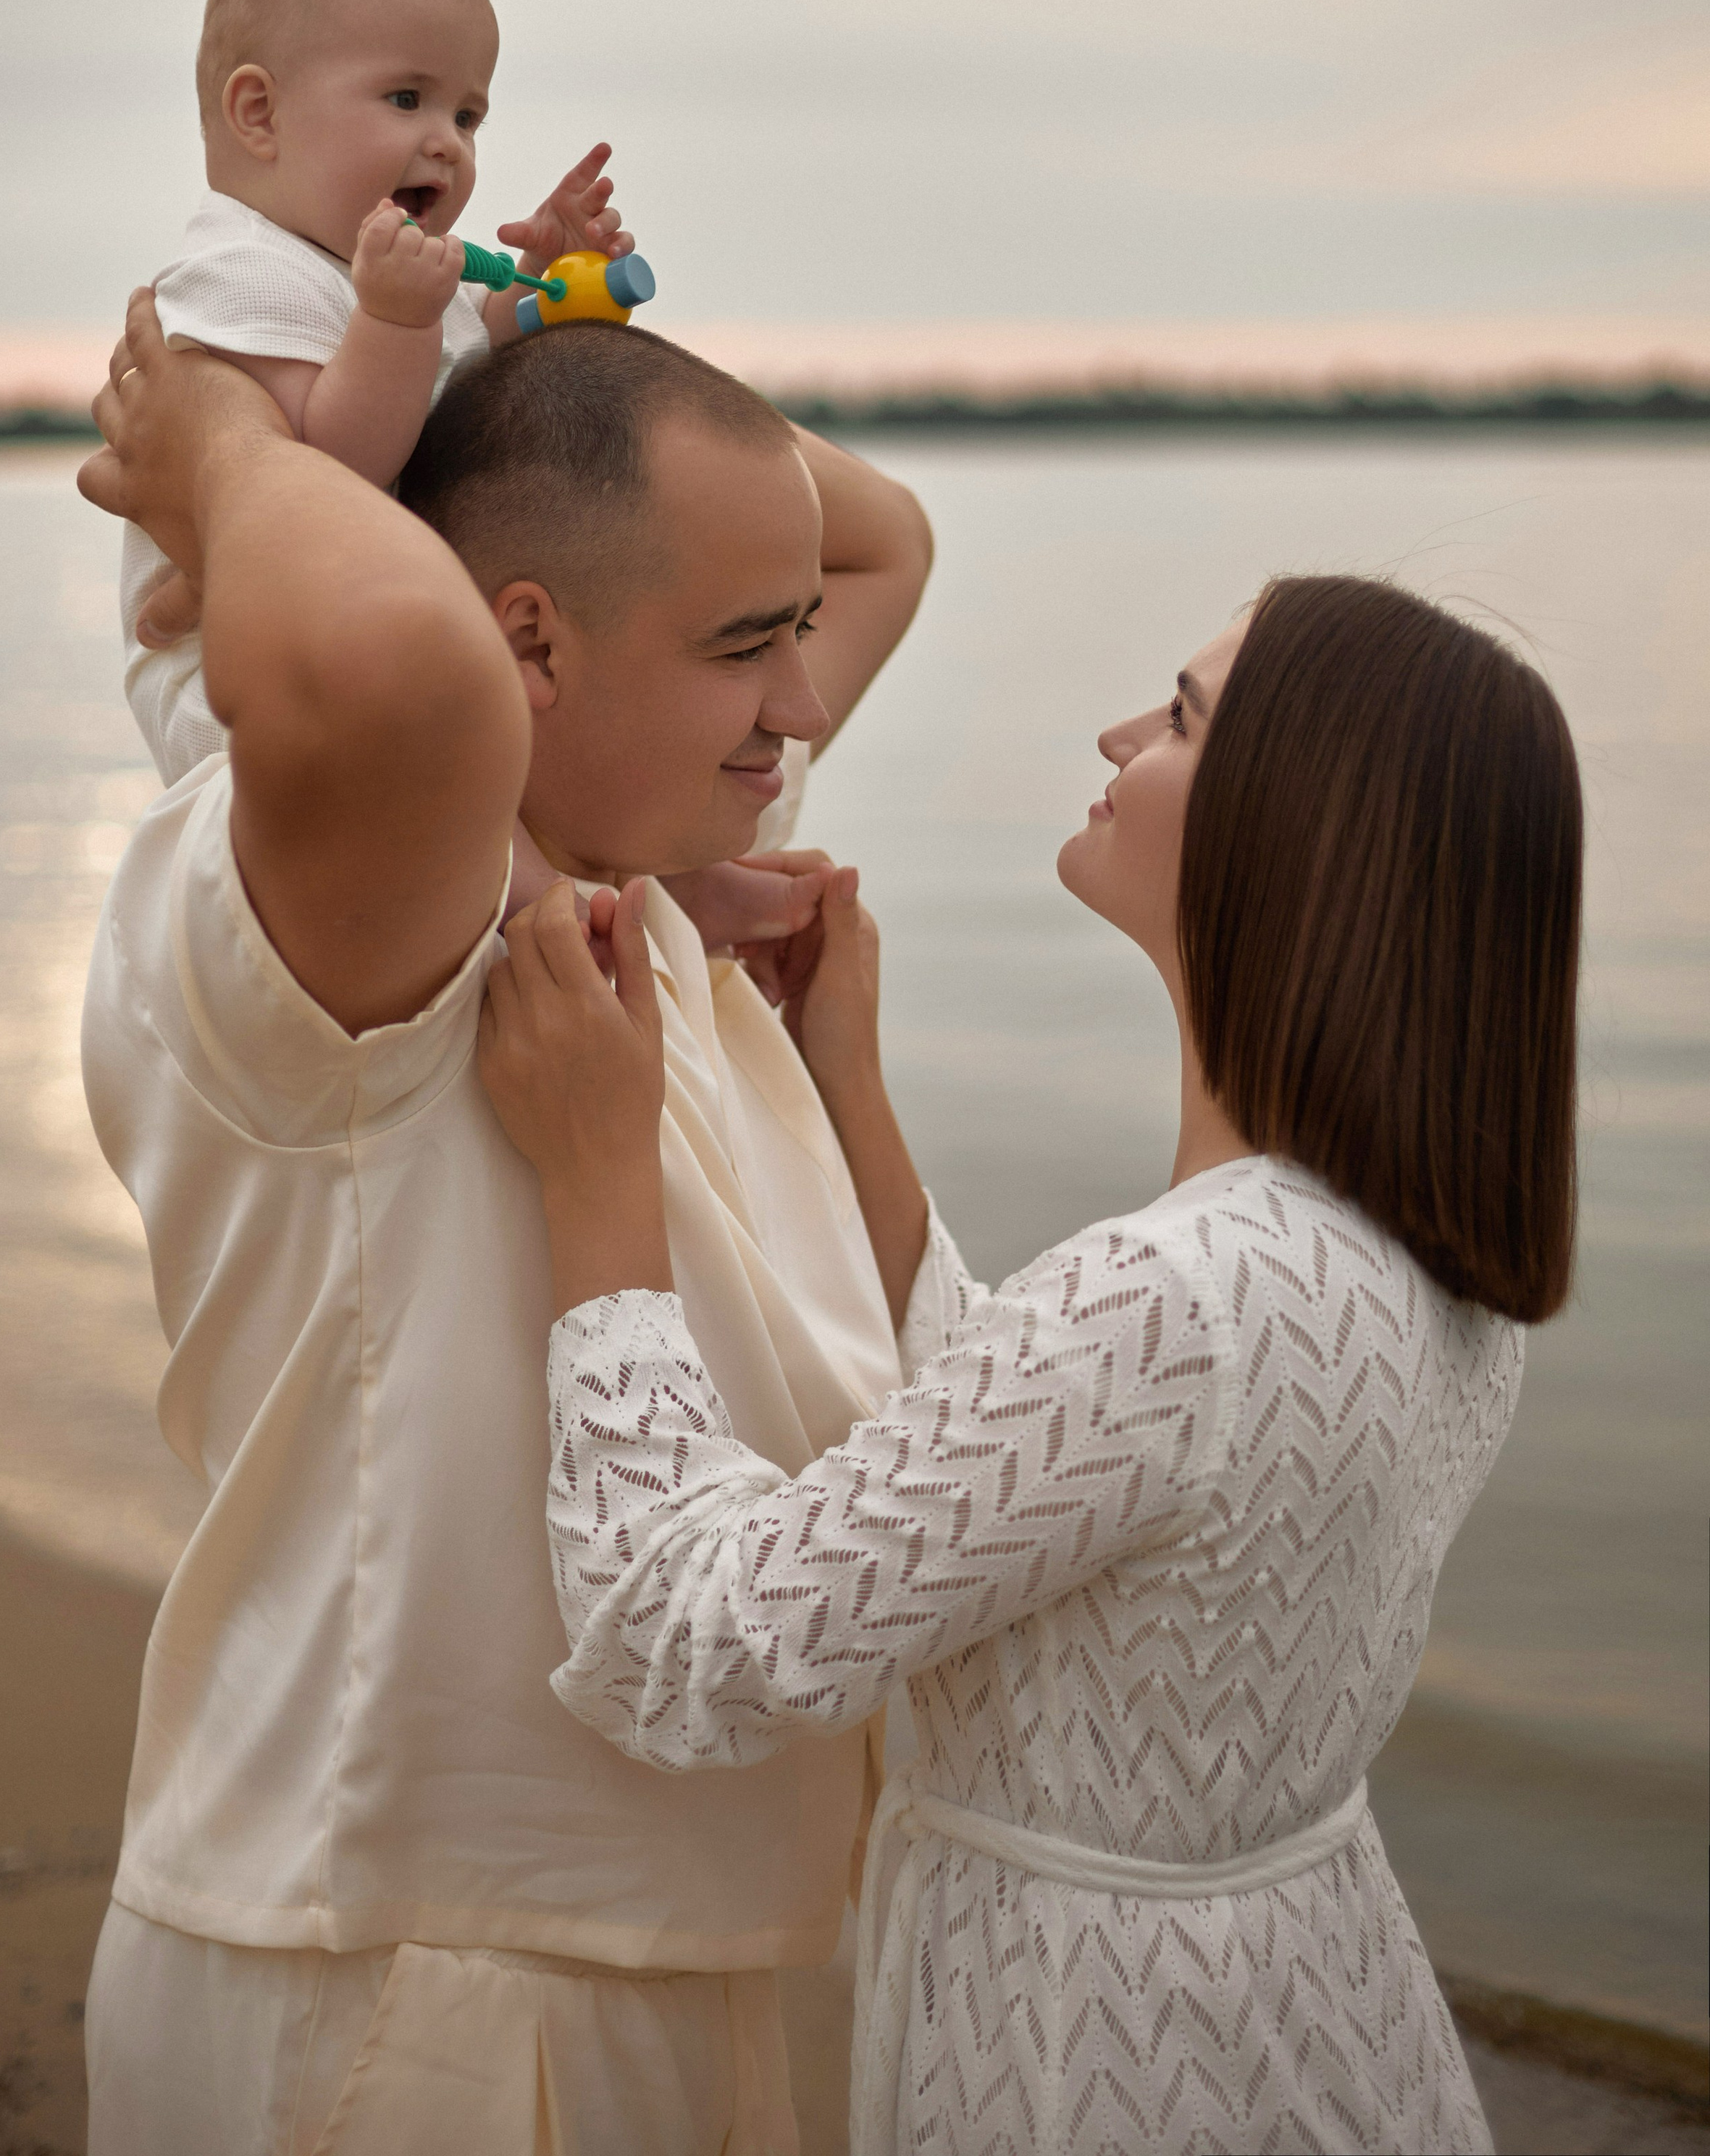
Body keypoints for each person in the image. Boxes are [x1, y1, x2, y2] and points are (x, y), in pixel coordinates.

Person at [480, 574, 1583, 2156]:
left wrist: (596, 1183)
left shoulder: (1177, 1298)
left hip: (1089, 2059)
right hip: (1309, 2004)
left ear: (1299, 828)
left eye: (1181, 718)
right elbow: (1043, 1468)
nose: (1115, 734)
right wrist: (845, 1087)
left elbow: (697, 1642)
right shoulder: (1411, 1263)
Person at [75, 296, 933, 2153]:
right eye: (742, 647)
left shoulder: (649, 849)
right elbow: (394, 659)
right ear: (528, 643)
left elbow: (871, 536)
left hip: (647, 1945)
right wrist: (230, 439)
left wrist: (518, 327)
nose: (799, 706)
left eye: (793, 641)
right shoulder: (372, 923)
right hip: (410, 1973)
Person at [122, 0, 637, 787]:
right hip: (246, 698)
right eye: (407, 99)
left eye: (468, 117)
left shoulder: (388, 270)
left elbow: (467, 361)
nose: (446, 144)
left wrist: (544, 291)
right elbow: (329, 471)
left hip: (377, 643)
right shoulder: (241, 272)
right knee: (474, 806)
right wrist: (393, 323)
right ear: (259, 114)